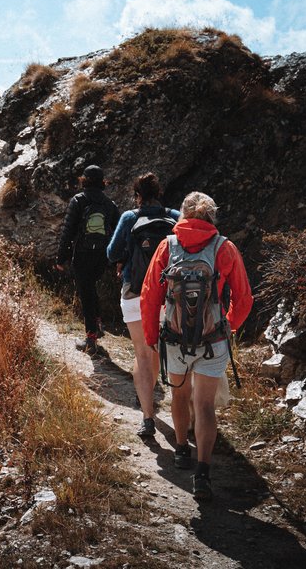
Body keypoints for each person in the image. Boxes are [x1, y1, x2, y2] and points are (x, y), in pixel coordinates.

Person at [140, 192, 253, 502]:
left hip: (174, 338)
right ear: (211, 217)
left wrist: (151, 336)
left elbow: (150, 295)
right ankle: (202, 472)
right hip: (212, 340)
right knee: (204, 405)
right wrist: (227, 326)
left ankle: (180, 450)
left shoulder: (167, 246)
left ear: (184, 215)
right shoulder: (225, 248)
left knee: (180, 395)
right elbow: (243, 299)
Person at [106, 172, 180, 438]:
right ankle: (182, 418)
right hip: (168, 295)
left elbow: (112, 253)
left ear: (137, 196)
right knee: (161, 349)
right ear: (159, 193)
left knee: (141, 352)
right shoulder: (175, 216)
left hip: (135, 291)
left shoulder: (130, 218)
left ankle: (148, 418)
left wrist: (125, 259)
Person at [54, 165, 119, 355]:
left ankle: (90, 340)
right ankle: (97, 325)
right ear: (102, 182)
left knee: (86, 293)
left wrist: (61, 257)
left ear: (84, 180)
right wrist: (115, 258)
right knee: (91, 289)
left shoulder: (78, 201)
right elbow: (119, 232)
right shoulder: (109, 204)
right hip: (101, 255)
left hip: (82, 254)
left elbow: (68, 231)